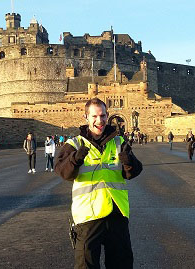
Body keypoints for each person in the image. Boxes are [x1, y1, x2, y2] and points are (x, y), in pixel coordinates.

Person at [55, 97, 142, 269]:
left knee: (122, 264)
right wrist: (75, 158)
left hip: (117, 213)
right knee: (86, 265)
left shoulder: (119, 142)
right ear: (86, 117)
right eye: (94, 116)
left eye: (102, 116)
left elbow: (134, 171)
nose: (99, 120)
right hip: (88, 216)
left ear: (107, 115)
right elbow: (63, 172)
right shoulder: (75, 144)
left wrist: (128, 160)